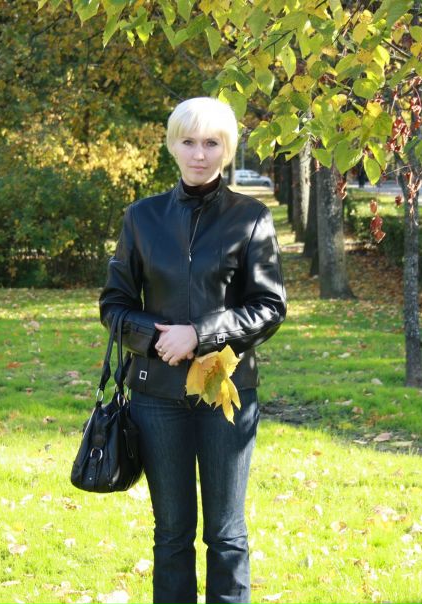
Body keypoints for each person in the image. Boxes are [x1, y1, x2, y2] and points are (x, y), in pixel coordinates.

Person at [99, 97, 287, 604]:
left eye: (211, 143)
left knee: (226, 534)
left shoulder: (250, 218)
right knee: (172, 534)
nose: (199, 154)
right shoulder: (142, 217)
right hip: (156, 396)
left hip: (226, 396)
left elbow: (269, 307)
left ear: (227, 149)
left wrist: (200, 334)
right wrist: (159, 336)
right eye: (189, 142)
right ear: (172, 146)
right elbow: (114, 305)